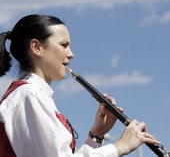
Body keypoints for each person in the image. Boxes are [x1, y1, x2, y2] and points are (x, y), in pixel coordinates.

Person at [0, 14, 160, 157]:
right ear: (36, 47)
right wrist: (120, 146)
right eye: (63, 45)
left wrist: (96, 135)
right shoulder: (28, 95)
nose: (71, 54)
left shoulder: (34, 95)